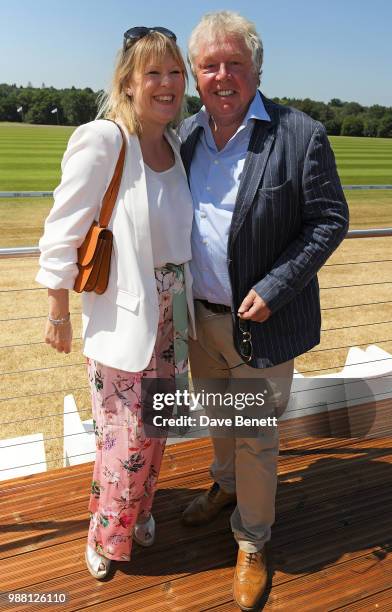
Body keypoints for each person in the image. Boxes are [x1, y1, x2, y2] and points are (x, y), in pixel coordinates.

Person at [180, 11, 349, 611]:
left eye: (234, 64)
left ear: (256, 69)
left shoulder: (300, 133)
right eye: (210, 65)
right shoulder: (185, 136)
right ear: (195, 74)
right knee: (218, 418)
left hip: (263, 323)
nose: (222, 75)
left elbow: (330, 219)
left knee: (254, 435)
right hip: (198, 321)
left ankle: (252, 540)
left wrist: (277, 286)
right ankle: (225, 490)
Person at [36, 27, 194, 580]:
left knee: (158, 427)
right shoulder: (105, 139)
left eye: (176, 72)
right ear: (128, 82)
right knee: (123, 438)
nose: (168, 84)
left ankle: (141, 509)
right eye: (154, 73)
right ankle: (105, 534)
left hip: (173, 316)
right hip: (125, 315)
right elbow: (61, 231)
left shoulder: (174, 144)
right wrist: (57, 310)